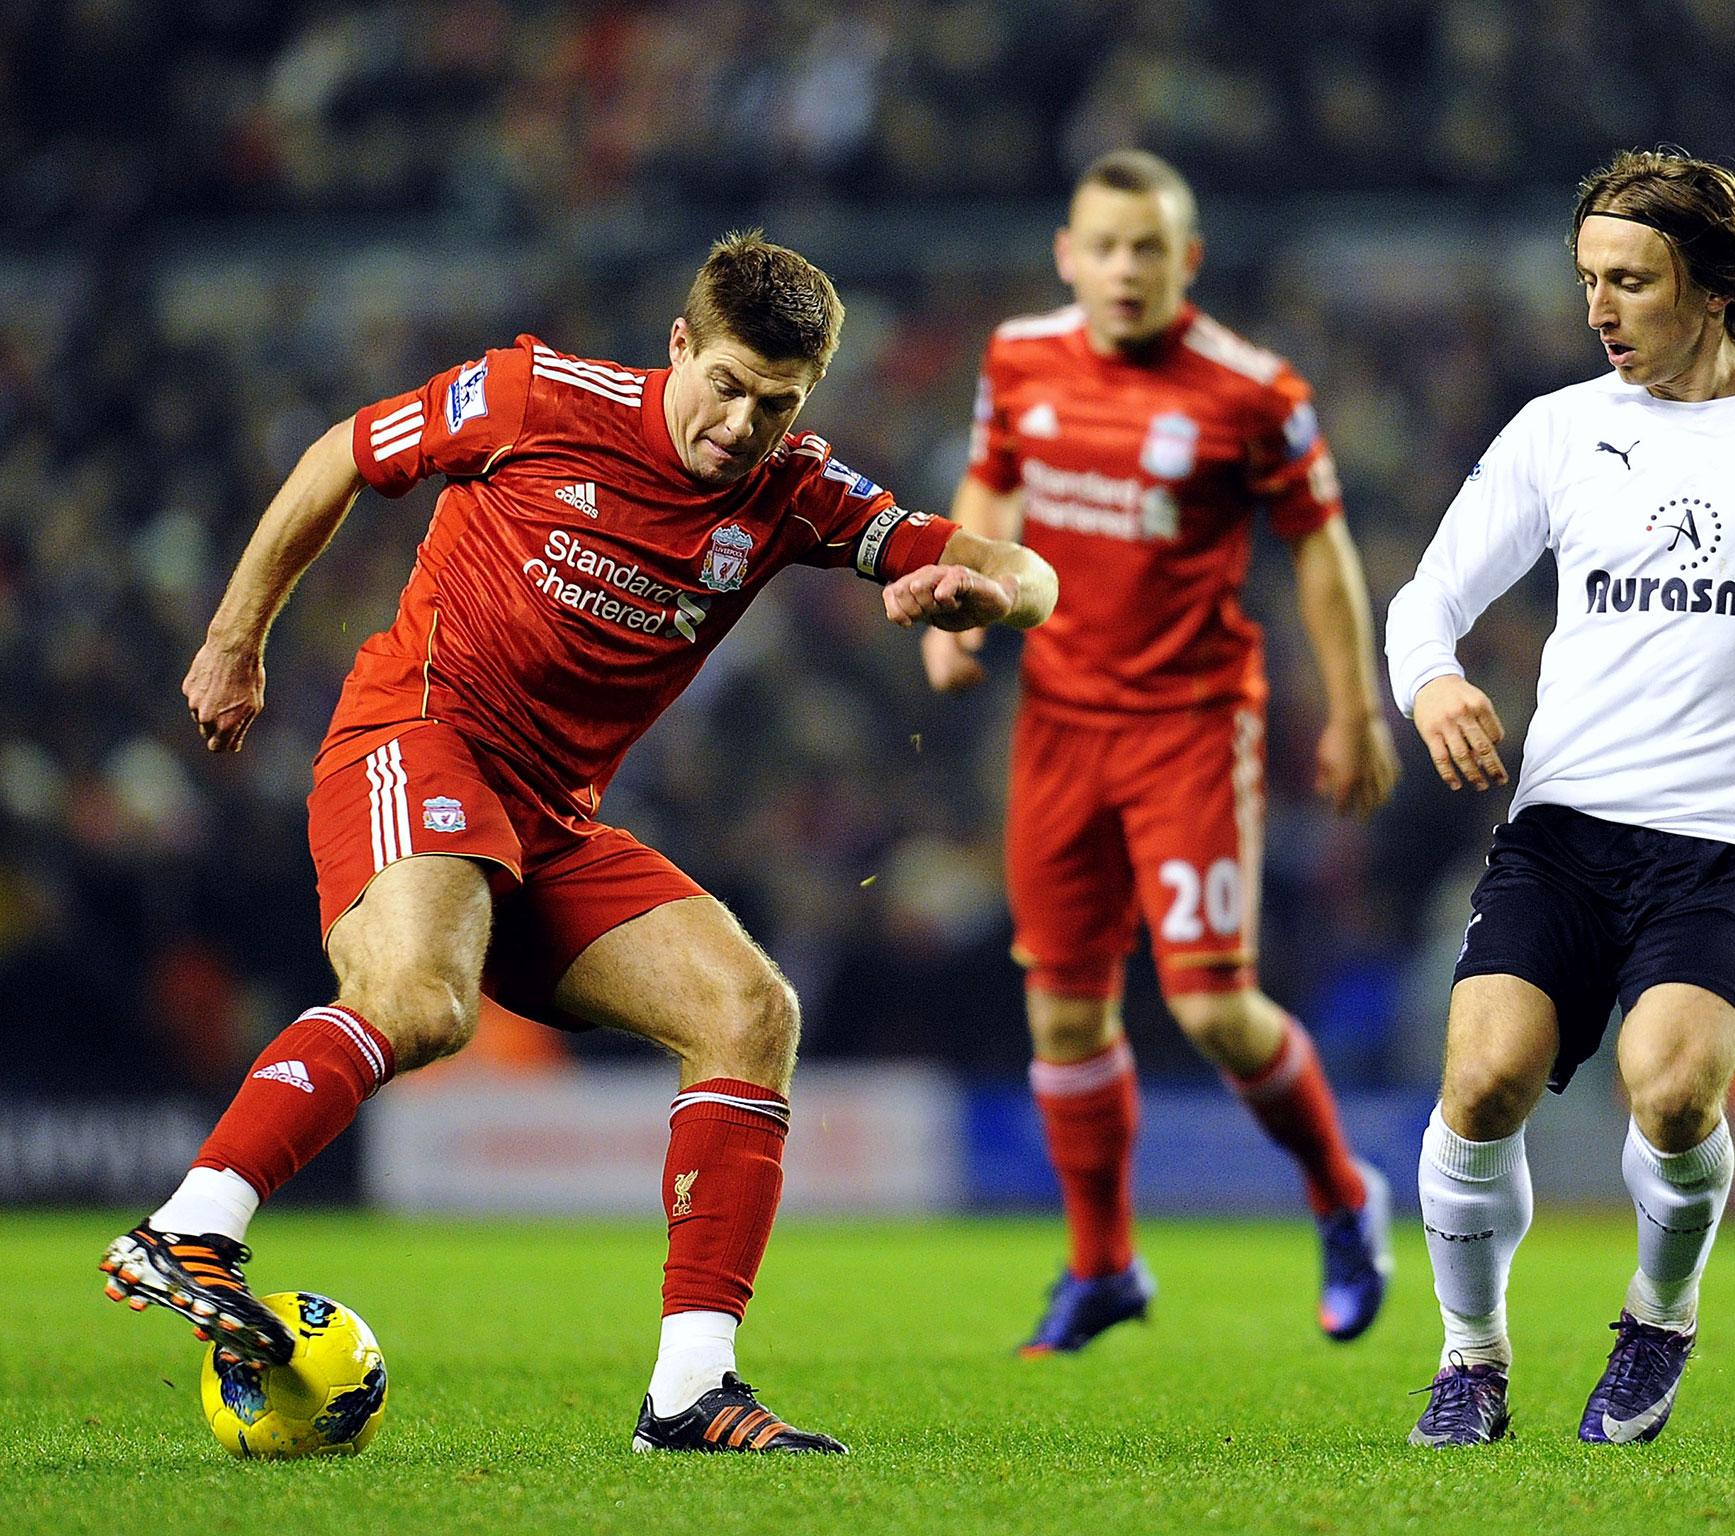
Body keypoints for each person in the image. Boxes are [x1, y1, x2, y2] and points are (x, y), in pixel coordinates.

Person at [99, 231, 1057, 1455]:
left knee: (747, 1013)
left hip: (550, 822)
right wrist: (237, 636)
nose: (740, 427)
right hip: (422, 736)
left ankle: (690, 1393)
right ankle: (191, 1223)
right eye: (725, 387)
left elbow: (1015, 567)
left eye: (777, 403)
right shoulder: (536, 397)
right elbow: (343, 451)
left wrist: (987, 595)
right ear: (678, 348)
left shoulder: (794, 489)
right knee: (419, 1000)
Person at [1385, 150, 1735, 1447]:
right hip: (1568, 828)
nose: (1599, 308)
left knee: (1674, 1093)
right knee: (1481, 1082)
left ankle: (1659, 1315)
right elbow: (1429, 599)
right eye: (1588, 280)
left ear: (1712, 285)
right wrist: (1434, 686)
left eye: (1628, 280)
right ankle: (1472, 1359)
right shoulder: (1560, 431)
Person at [922, 150, 1402, 1354]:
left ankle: (1345, 1199)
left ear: (1186, 260)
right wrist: (960, 603)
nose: (1125, 268)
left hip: (1189, 729)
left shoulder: (1251, 392)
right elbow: (990, 481)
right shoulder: (1017, 359)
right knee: (1064, 1015)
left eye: (1149, 248)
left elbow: (1319, 547)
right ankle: (1102, 1268)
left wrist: (1352, 709)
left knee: (1209, 1007)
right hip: (1057, 728)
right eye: (1105, 245)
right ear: (1067, 256)